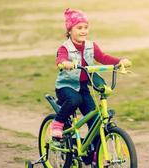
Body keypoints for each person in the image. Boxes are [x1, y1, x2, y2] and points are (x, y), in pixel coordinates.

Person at [51, 8, 132, 140]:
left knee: (94, 120)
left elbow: (103, 57)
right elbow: (61, 58)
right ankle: (57, 123)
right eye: (79, 28)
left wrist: (119, 61)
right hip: (66, 86)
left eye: (85, 27)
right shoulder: (65, 48)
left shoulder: (91, 46)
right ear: (70, 30)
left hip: (83, 87)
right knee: (75, 100)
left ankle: (93, 154)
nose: (83, 31)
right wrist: (65, 63)